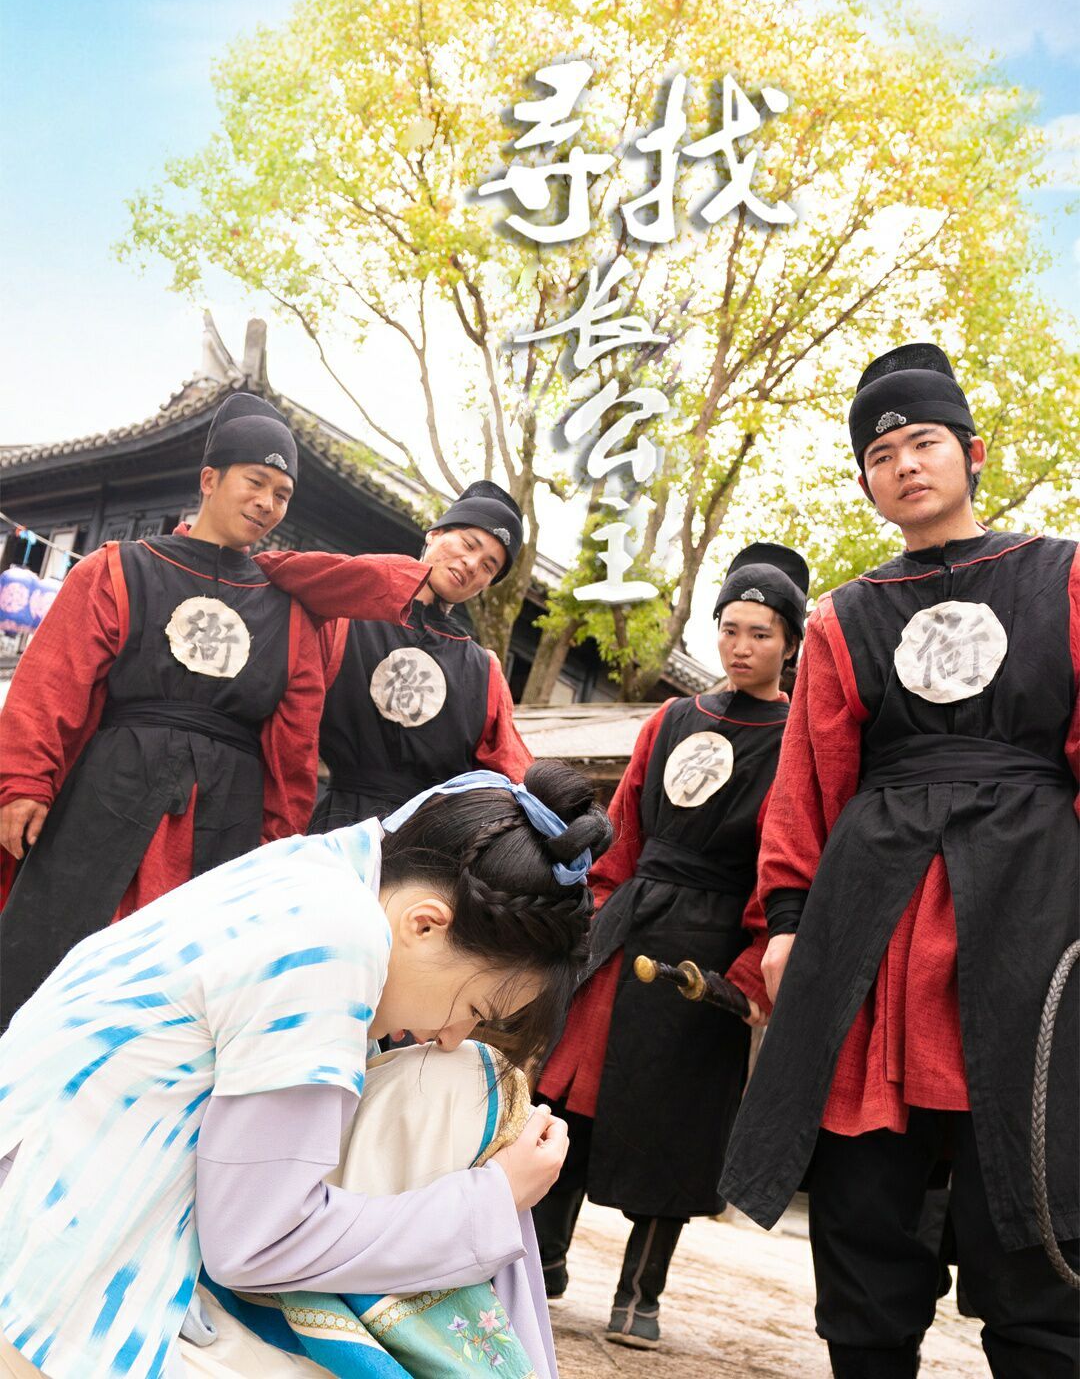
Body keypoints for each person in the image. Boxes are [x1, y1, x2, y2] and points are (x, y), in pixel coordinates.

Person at [0, 760, 613, 1378]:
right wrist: (492, 1202)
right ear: (425, 924)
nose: (452, 1036)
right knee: (468, 1083)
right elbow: (256, 1243)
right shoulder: (332, 941)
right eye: (475, 1008)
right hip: (45, 1309)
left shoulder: (315, 872)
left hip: (44, 1243)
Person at [719, 344, 1080, 1379]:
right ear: (867, 483)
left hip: (1035, 907)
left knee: (1041, 1176)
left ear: (972, 452)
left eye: (924, 442)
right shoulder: (844, 615)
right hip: (874, 916)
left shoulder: (1064, 576)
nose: (906, 465)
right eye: (882, 455)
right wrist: (787, 920)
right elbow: (808, 779)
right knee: (866, 1191)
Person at [0, 393, 431, 1030]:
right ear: (210, 479)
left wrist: (278, 844)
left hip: (226, 813)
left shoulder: (289, 611)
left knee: (182, 989)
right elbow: (52, 682)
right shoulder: (116, 569)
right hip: (108, 791)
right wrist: (23, 783)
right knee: (54, 957)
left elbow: (293, 741)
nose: (267, 503)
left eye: (282, 494)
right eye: (255, 482)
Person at [533, 544, 809, 1350]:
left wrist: (750, 968)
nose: (741, 647)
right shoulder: (671, 718)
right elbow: (624, 826)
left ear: (790, 643)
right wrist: (594, 910)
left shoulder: (796, 739)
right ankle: (543, 1260)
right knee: (570, 1091)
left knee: (678, 1118)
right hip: (630, 922)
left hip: (710, 943)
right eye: (730, 629)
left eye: (760, 633)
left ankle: (639, 1292)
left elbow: (786, 855)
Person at [309, 481, 532, 830]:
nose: (472, 564)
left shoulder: (484, 671)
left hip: (424, 842)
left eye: (489, 566)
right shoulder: (347, 619)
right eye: (469, 544)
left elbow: (513, 773)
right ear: (434, 533)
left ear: (487, 585)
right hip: (334, 829)